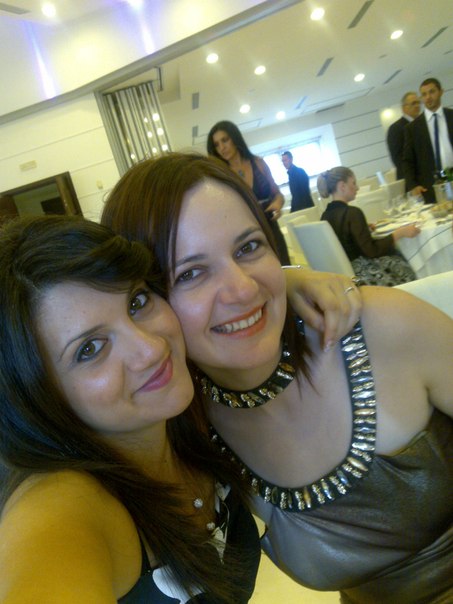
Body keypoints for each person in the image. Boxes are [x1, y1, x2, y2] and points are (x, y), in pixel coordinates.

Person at [101, 153, 453, 603]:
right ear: (144, 303)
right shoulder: (186, 428)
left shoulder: (380, 327)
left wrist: (287, 279)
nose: (244, 289)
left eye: (248, 248)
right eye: (191, 273)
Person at [0, 215, 261, 603]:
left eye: (137, 302)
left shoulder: (185, 411)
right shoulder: (62, 508)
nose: (151, 348)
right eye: (90, 349)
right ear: (34, 398)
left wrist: (290, 284)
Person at [318, 166, 419, 286]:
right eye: (353, 183)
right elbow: (372, 251)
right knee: (404, 264)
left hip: (344, 275)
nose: (357, 188)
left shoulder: (325, 216)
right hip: (363, 274)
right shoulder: (352, 213)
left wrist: (362, 229)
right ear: (342, 186)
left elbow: (344, 238)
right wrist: (400, 233)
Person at [207, 120, 290, 264]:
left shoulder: (258, 163)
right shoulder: (221, 175)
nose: (222, 148)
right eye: (216, 145)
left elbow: (277, 194)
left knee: (285, 269)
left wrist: (277, 204)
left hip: (271, 227)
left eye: (225, 140)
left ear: (235, 138)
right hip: (245, 236)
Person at [402, 77, 453, 204]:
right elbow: (408, 161)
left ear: (441, 92)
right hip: (431, 184)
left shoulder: (451, 116)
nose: (428, 97)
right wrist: (413, 185)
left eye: (432, 92)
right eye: (424, 94)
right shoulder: (412, 128)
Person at [386, 91, 421, 180]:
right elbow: (398, 159)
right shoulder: (396, 128)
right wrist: (412, 181)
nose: (417, 106)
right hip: (410, 179)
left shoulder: (422, 124)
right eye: (413, 103)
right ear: (404, 108)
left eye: (418, 103)